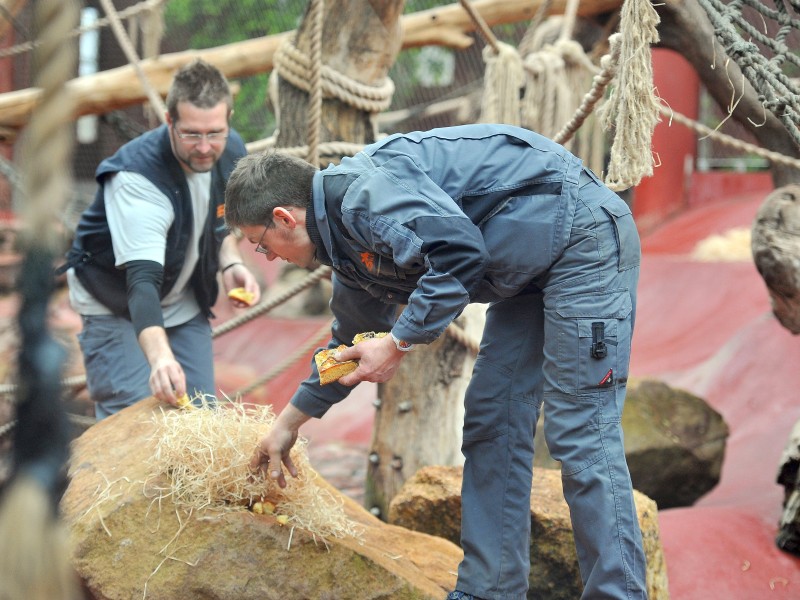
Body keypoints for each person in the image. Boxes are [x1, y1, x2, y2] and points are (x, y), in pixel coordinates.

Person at [226, 124, 647, 600]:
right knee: (493, 418)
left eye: (260, 244)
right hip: (524, 275)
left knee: (580, 429)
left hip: (581, 240)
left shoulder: (365, 196)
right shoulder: (342, 246)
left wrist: (400, 342)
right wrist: (288, 424)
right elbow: (346, 343)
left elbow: (459, 252)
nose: (267, 257)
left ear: (283, 218)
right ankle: (489, 590)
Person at [62, 58, 260, 420]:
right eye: (191, 134)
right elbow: (141, 283)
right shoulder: (137, 179)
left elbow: (217, 226)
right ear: (169, 121)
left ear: (228, 119)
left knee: (202, 423)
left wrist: (231, 263)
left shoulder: (231, 151)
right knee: (133, 425)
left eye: (214, 132)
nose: (204, 147)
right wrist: (161, 358)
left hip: (182, 298)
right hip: (117, 299)